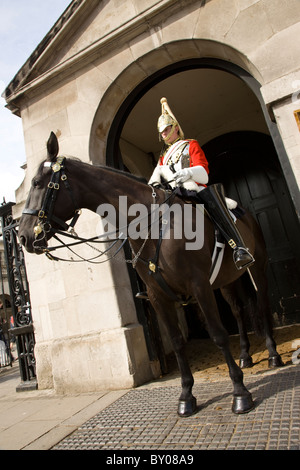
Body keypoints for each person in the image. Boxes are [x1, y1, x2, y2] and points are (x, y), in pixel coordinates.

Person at [148, 97, 254, 270]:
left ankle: (239, 249)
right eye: (161, 132)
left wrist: (187, 172)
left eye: (166, 129)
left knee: (214, 203)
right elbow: (154, 180)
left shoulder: (190, 145)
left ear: (175, 128)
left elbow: (204, 175)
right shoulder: (162, 157)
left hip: (193, 188)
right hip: (172, 193)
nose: (164, 134)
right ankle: (155, 268)